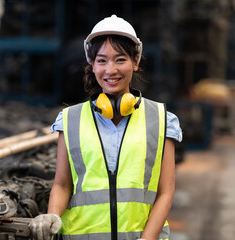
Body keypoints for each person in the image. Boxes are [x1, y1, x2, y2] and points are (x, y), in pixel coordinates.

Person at [29, 14, 182, 240]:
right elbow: (62, 185)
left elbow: (165, 192)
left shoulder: (161, 120)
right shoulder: (70, 119)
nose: (110, 70)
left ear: (136, 61)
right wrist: (52, 215)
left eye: (120, 59)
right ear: (92, 64)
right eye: (101, 61)